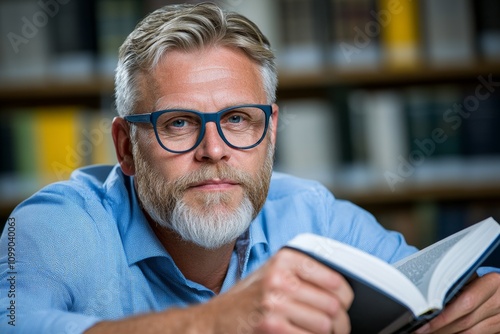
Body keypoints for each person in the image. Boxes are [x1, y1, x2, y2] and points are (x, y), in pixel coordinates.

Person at [1, 2, 499, 333]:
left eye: (238, 119)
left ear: (272, 131)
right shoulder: (52, 229)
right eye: (178, 123)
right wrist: (214, 323)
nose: (214, 150)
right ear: (126, 147)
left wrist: (483, 307)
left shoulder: (313, 215)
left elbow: (426, 287)